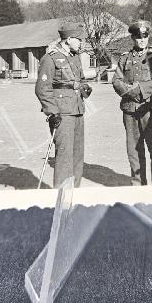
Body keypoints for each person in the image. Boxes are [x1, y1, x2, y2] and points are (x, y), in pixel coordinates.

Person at [112, 20, 152, 185]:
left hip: (149, 108)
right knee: (134, 150)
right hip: (130, 109)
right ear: (133, 38)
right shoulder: (124, 58)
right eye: (139, 37)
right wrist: (130, 92)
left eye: (145, 36)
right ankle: (138, 186)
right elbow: (117, 81)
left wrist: (139, 90)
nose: (142, 40)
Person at [34, 22, 92, 188]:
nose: (81, 43)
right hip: (62, 113)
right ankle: (61, 197)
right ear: (68, 39)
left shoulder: (74, 57)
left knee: (77, 155)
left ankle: (75, 193)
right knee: (65, 156)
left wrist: (84, 87)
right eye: (79, 40)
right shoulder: (50, 58)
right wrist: (52, 112)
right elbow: (42, 88)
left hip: (78, 109)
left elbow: (79, 80)